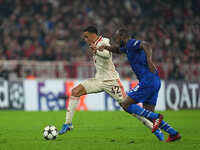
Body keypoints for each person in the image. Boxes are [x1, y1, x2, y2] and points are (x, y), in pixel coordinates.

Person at [59, 26, 164, 141]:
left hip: (112, 82)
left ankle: (156, 129)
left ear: (93, 34)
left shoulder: (105, 41)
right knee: (75, 91)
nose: (85, 39)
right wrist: (95, 49)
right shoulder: (93, 44)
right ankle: (68, 124)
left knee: (129, 108)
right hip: (98, 80)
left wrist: (96, 50)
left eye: (86, 36)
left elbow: (107, 55)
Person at [91, 28, 181, 142]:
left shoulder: (131, 43)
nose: (116, 39)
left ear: (123, 37)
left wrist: (149, 60)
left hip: (147, 80)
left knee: (125, 104)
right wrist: (105, 47)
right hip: (154, 80)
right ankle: (173, 134)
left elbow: (146, 45)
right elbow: (118, 50)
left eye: (117, 38)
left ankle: (157, 117)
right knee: (148, 113)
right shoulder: (128, 47)